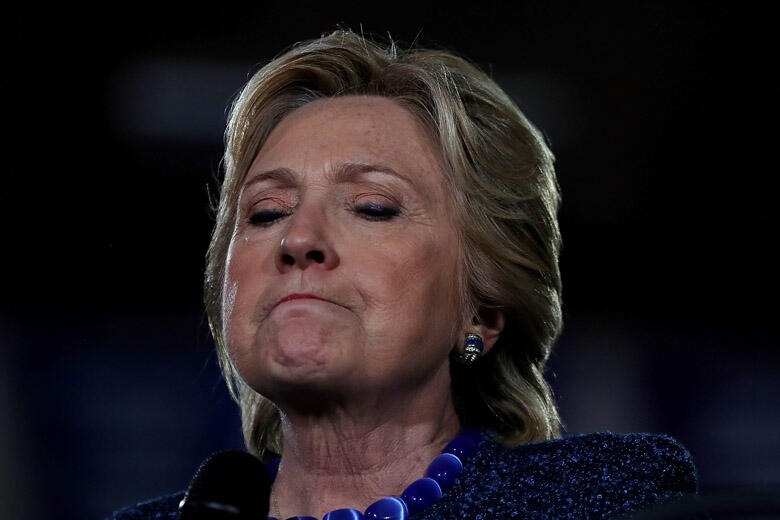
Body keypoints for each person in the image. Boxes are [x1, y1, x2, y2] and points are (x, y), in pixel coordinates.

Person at [108, 30, 697, 519]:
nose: (298, 239)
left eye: (372, 207)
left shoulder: (596, 499)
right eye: (266, 212)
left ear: (482, 312)